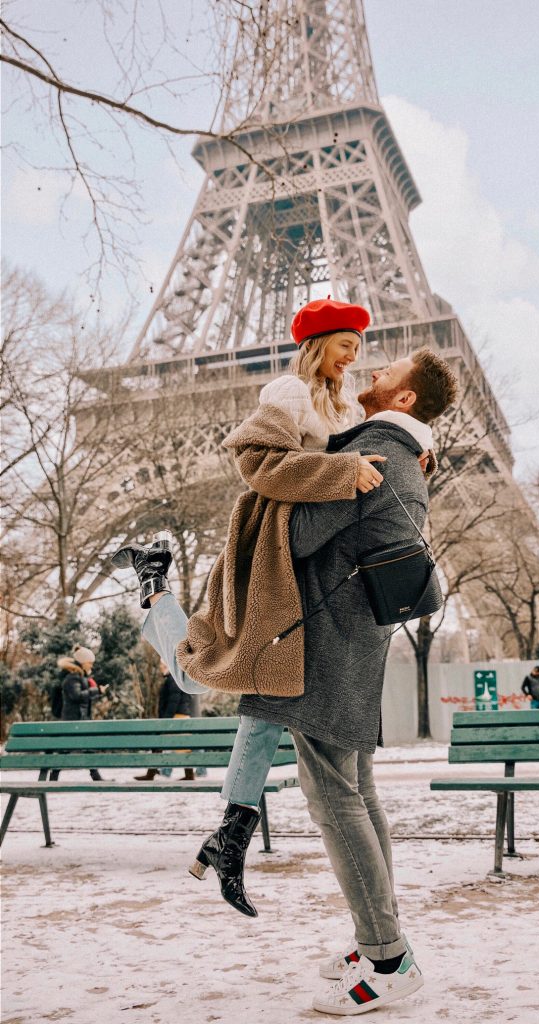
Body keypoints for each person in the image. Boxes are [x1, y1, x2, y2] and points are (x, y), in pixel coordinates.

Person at [115, 320, 457, 1015]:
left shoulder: (376, 450)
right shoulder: (400, 455)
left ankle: (387, 957)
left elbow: (298, 534)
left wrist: (281, 490)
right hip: (353, 642)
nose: (374, 366)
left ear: (407, 397)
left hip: (323, 644)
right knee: (357, 793)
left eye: (388, 367)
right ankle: (379, 942)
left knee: (335, 799)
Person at [112, 299, 394, 913]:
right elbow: (257, 462)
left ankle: (230, 836)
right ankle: (155, 589)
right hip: (270, 559)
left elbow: (369, 453)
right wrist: (339, 472)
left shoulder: (345, 404)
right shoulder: (290, 392)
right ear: (317, 343)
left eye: (356, 344)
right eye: (346, 342)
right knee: (204, 672)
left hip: (308, 572)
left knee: (263, 698)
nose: (355, 354)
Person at [49, 646, 108, 781]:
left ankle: (95, 775)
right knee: (64, 750)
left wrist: (96, 690)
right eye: (90, 662)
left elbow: (83, 698)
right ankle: (53, 777)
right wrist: (96, 691)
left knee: (87, 747)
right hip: (73, 719)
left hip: (80, 718)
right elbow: (77, 696)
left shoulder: (80, 677)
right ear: (82, 662)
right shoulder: (72, 678)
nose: (91, 665)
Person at [134, 661, 198, 781]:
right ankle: (153, 773)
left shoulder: (173, 679)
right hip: (179, 715)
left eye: (162, 665)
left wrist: (165, 721)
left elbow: (174, 701)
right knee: (175, 745)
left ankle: (152, 774)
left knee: (165, 744)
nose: (160, 667)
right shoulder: (175, 678)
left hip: (176, 716)